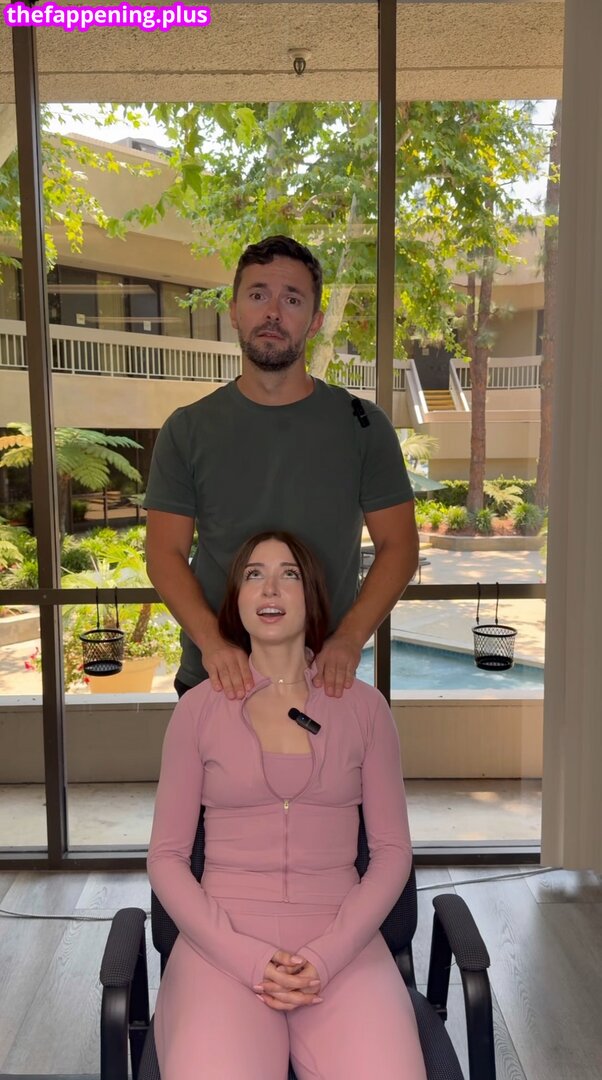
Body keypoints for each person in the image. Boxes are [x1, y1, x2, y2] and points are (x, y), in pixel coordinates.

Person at [148, 531, 427, 1080]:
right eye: (253, 574)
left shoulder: (365, 709)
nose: (270, 588)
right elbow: (166, 858)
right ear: (237, 599)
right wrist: (247, 958)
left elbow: (393, 852)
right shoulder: (197, 711)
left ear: (312, 594)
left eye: (289, 574)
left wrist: (327, 955)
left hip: (342, 945)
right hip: (221, 948)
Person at [144, 234, 418, 700]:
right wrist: (213, 645)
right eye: (258, 295)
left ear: (314, 322)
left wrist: (349, 640)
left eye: (291, 299)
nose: (273, 312)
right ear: (234, 311)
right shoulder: (187, 430)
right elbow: (163, 554)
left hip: (324, 679)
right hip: (217, 679)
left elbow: (400, 547)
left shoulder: (363, 426)